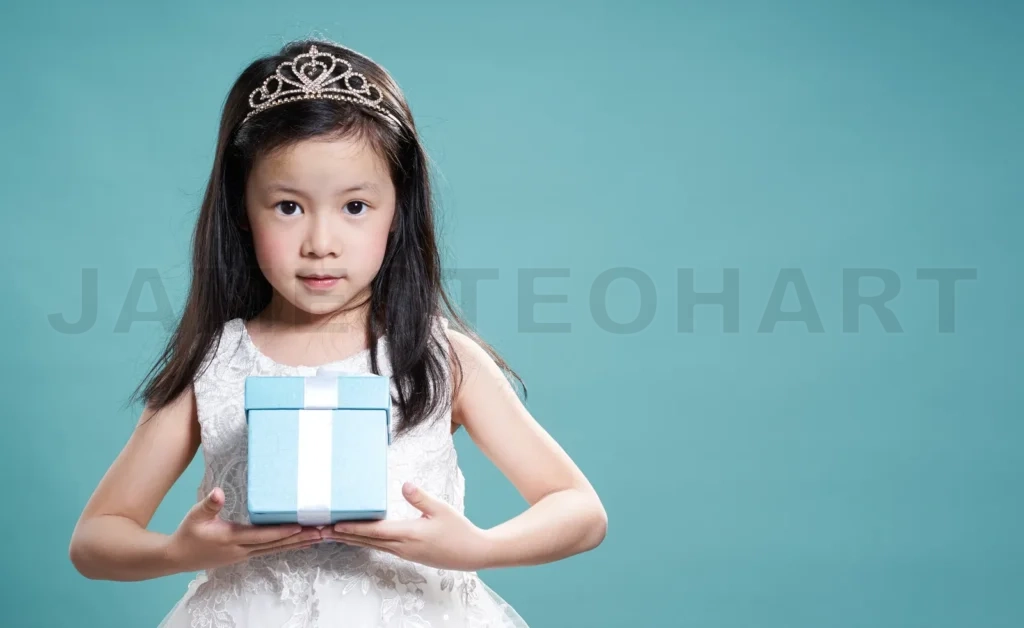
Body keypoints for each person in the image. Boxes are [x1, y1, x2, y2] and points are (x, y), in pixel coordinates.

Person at [68, 38, 608, 627]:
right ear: (242, 210)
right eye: (288, 206)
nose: (320, 242)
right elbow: (96, 539)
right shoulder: (216, 365)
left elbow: (579, 510)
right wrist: (181, 550)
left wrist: (476, 547)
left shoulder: (440, 357)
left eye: (354, 207)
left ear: (397, 209)